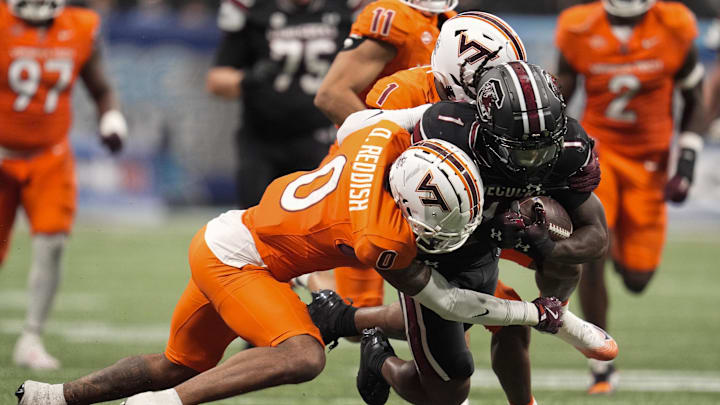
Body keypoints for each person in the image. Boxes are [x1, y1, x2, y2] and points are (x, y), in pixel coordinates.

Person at [16, 120, 563, 405]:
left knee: (177, 364)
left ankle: (57, 396)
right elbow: (441, 302)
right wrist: (531, 315)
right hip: (239, 260)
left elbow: (365, 126)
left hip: (236, 237)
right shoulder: (379, 235)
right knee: (303, 356)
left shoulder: (383, 139)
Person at [313, 61, 613, 405]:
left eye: (544, 147)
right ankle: (378, 359)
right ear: (486, 127)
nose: (535, 160)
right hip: (436, 243)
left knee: (564, 254)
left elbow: (596, 235)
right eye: (522, 149)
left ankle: (554, 312)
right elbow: (404, 205)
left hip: (497, 229)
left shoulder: (571, 146)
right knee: (448, 388)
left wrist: (546, 245)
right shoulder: (446, 130)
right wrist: (489, 226)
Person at [555, 0, 706, 394]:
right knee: (591, 254)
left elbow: (695, 97)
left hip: (650, 162)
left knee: (638, 278)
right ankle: (601, 364)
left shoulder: (674, 25)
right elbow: (560, 99)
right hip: (597, 155)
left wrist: (686, 163)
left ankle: (619, 239)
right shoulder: (578, 26)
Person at [0, 0, 128, 370]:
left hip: (49, 156)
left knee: (52, 242)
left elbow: (100, 86)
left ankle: (31, 337)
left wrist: (112, 117)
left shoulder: (81, 25)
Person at [205, 0, 357, 208]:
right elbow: (216, 81)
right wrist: (249, 79)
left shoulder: (347, 9)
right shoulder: (253, 9)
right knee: (253, 222)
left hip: (322, 137)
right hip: (262, 140)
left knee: (321, 225)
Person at [314, 0, 457, 127]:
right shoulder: (394, 17)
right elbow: (332, 95)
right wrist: (381, 138)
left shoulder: (452, 19)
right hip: (388, 144)